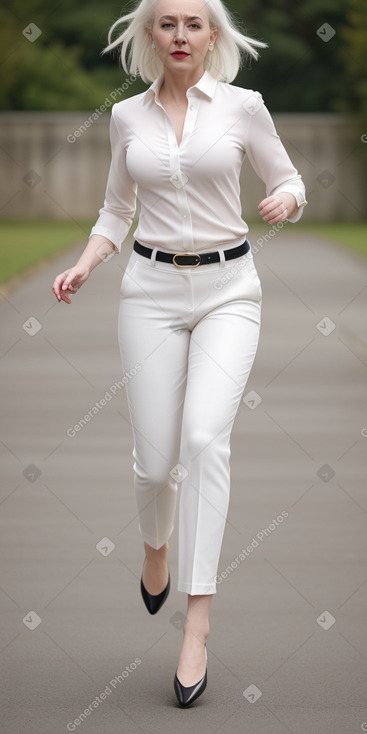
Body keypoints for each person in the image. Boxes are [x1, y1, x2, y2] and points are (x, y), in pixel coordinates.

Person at [52, 0, 307, 708]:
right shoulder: (125, 117)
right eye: (167, 23)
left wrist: (287, 200)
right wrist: (85, 263)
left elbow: (288, 178)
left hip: (229, 291)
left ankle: (195, 621)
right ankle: (155, 548)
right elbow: (114, 208)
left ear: (212, 35)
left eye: (193, 23)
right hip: (150, 293)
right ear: (149, 34)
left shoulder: (243, 107)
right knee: (154, 461)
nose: (180, 35)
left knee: (203, 441)